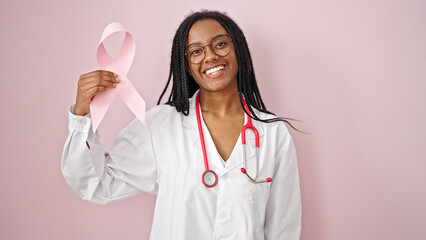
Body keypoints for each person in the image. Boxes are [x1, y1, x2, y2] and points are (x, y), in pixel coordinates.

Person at [62, 10, 302, 240]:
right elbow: (98, 183)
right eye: (196, 51)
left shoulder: (273, 134)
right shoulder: (161, 125)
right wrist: (83, 115)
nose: (210, 57)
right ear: (187, 65)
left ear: (238, 50)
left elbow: (284, 228)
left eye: (220, 44)